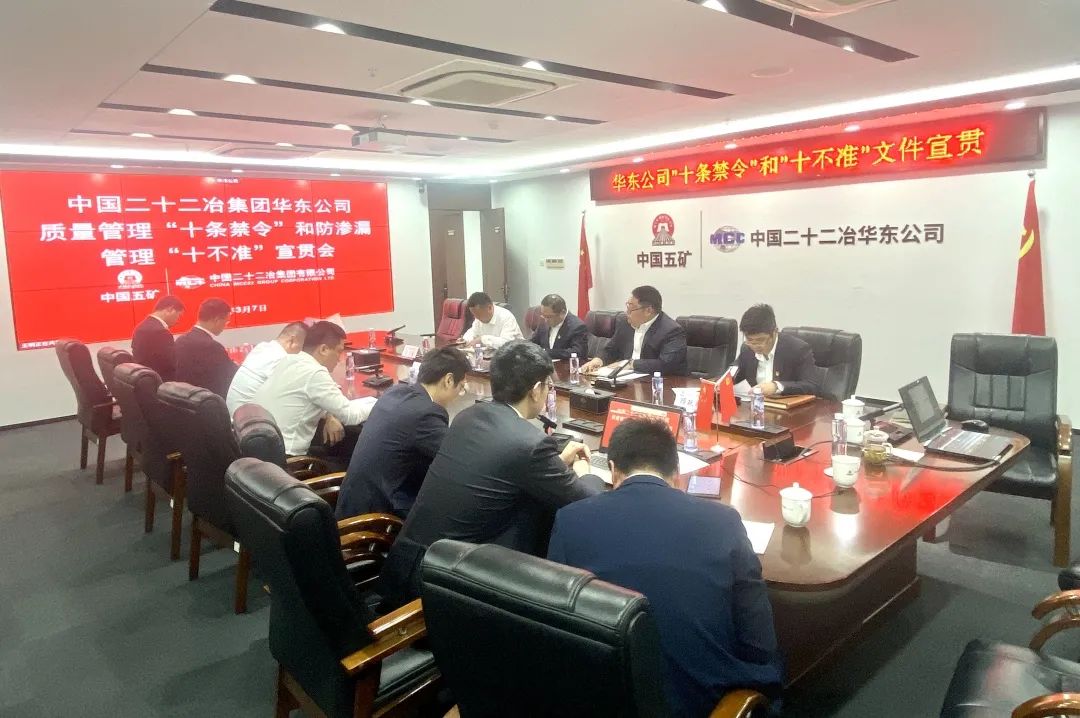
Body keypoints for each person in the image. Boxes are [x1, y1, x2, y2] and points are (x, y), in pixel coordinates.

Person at [547, 419, 783, 716]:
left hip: (600, 699)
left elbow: (555, 635)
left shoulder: (569, 520)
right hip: (704, 704)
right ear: (676, 472)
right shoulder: (724, 522)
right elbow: (759, 644)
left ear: (612, 469)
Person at [379, 340, 604, 608]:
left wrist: (555, 464)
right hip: (448, 590)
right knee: (546, 514)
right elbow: (587, 502)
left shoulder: (467, 417)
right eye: (548, 386)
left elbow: (502, 467)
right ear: (535, 391)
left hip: (407, 566)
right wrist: (585, 471)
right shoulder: (529, 444)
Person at [336, 347, 470, 521]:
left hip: (351, 503)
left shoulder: (395, 392)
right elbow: (458, 458)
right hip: (376, 518)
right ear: (449, 380)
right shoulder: (427, 413)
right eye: (461, 387)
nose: (459, 395)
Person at [252, 320, 375, 457]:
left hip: (264, 454)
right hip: (289, 461)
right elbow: (350, 415)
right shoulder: (314, 372)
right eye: (339, 352)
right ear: (323, 349)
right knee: (350, 451)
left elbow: (314, 397)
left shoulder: (289, 360)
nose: (339, 359)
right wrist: (381, 403)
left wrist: (370, 401)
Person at [581, 285, 688, 376]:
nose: (626, 312)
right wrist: (598, 360)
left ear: (648, 311)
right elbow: (611, 349)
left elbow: (666, 364)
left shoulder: (671, 331)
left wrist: (631, 364)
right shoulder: (625, 323)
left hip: (659, 383)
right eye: (627, 306)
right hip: (626, 380)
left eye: (631, 309)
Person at [732, 304, 821, 397]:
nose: (755, 345)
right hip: (755, 403)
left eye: (760, 340)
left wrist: (776, 386)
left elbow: (812, 386)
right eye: (749, 339)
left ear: (775, 332)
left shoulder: (797, 349)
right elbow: (734, 374)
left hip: (785, 404)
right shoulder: (747, 349)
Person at [225, 322, 307, 415]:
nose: (301, 352)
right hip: (249, 420)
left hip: (233, 416)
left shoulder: (261, 347)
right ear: (292, 340)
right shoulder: (282, 359)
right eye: (302, 347)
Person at [174, 298, 237, 397]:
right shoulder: (212, 347)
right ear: (217, 320)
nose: (225, 326)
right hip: (209, 400)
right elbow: (232, 376)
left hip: (186, 399)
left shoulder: (180, 340)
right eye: (226, 322)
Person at [131, 296, 184, 381]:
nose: (178, 321)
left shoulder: (143, 326)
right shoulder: (160, 332)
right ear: (170, 309)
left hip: (147, 379)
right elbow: (171, 364)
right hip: (162, 383)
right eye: (179, 316)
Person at [529, 293, 588, 360]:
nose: (545, 320)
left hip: (564, 365)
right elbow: (532, 343)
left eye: (549, 317)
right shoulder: (543, 322)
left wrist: (547, 353)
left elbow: (578, 352)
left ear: (562, 313)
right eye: (543, 315)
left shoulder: (577, 326)